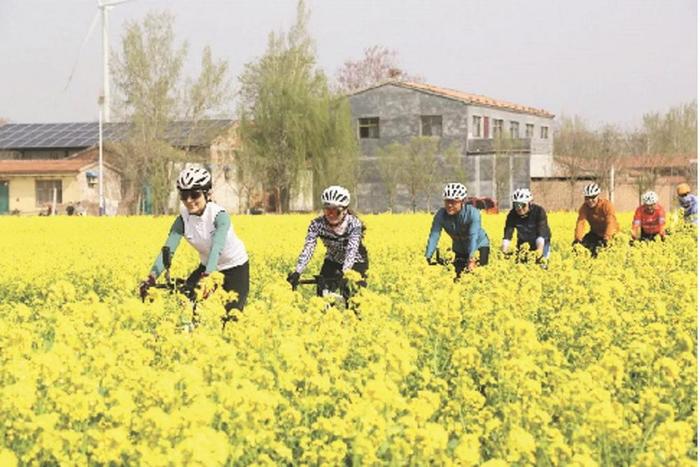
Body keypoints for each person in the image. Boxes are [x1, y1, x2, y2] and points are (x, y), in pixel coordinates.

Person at [139, 167, 249, 325]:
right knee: (186, 301)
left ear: (207, 194)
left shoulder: (219, 216)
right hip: (207, 268)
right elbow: (168, 249)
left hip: (235, 267)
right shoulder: (183, 220)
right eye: (184, 195)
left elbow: (216, 248)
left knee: (231, 318)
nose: (189, 200)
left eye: (195, 194)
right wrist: (150, 278)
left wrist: (208, 276)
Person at [286, 185, 368, 301]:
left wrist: (346, 273)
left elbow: (351, 251)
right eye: (327, 210)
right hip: (332, 260)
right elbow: (308, 248)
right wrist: (298, 271)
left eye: (336, 212)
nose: (331, 215)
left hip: (356, 261)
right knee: (322, 294)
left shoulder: (354, 224)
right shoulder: (316, 224)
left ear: (344, 211)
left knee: (353, 297)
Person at [425, 182, 490, 279]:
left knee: (478, 275)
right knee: (458, 278)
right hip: (460, 247)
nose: (449, 205)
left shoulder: (472, 213)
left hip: (478, 245)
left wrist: (471, 259)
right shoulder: (441, 214)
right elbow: (434, 236)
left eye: (454, 202)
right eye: (447, 201)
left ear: (462, 202)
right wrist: (427, 258)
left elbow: (473, 236)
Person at [501, 188, 551, 264]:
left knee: (541, 264)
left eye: (522, 205)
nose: (519, 208)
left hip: (542, 241)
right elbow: (507, 235)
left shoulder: (539, 211)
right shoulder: (512, 214)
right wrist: (503, 252)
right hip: (523, 242)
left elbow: (541, 234)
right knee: (519, 265)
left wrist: (539, 252)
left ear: (530, 203)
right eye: (516, 205)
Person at [572, 183, 619, 256]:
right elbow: (581, 223)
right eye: (587, 198)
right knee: (579, 248)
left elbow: (611, 222)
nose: (590, 200)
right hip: (595, 233)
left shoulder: (606, 205)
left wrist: (607, 238)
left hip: (611, 234)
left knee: (604, 253)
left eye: (593, 197)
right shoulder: (584, 207)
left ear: (597, 196)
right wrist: (578, 239)